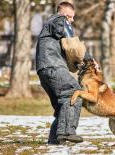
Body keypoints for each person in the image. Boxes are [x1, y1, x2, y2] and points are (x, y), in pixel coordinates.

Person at [36, 1, 91, 145]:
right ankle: (67, 132)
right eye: (71, 17)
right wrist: (89, 59)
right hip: (52, 66)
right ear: (63, 13)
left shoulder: (51, 25)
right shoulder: (58, 20)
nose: (72, 20)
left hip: (44, 69)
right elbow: (73, 44)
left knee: (62, 104)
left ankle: (55, 139)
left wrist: (85, 60)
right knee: (74, 92)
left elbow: (71, 48)